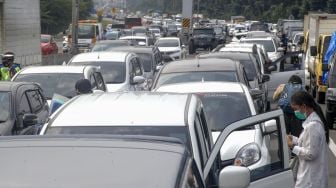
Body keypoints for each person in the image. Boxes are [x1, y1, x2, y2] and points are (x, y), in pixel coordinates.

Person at [287, 91, 329, 188]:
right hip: (310, 178)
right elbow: (306, 142)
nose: (295, 112)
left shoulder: (313, 126)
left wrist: (293, 147)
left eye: (296, 109)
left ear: (303, 106)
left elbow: (311, 153)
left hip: (311, 180)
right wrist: (293, 139)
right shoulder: (311, 123)